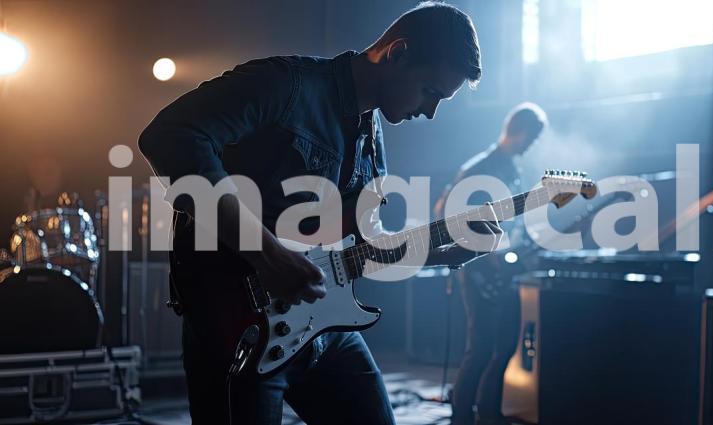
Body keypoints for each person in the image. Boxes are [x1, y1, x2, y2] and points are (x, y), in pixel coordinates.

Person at [138, 2, 501, 424]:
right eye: (431, 92)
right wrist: (266, 253)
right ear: (397, 53)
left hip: (324, 330)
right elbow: (169, 136)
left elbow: (364, 248)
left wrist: (439, 253)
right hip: (234, 324)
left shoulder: (372, 137)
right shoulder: (285, 84)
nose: (430, 111)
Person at [435, 102, 548, 425]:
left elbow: (511, 222)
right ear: (521, 130)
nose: (533, 145)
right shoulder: (481, 167)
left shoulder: (513, 169)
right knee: (481, 347)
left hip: (505, 269)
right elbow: (446, 214)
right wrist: (485, 254)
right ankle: (461, 417)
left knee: (504, 347)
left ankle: (488, 414)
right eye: (534, 137)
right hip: (478, 269)